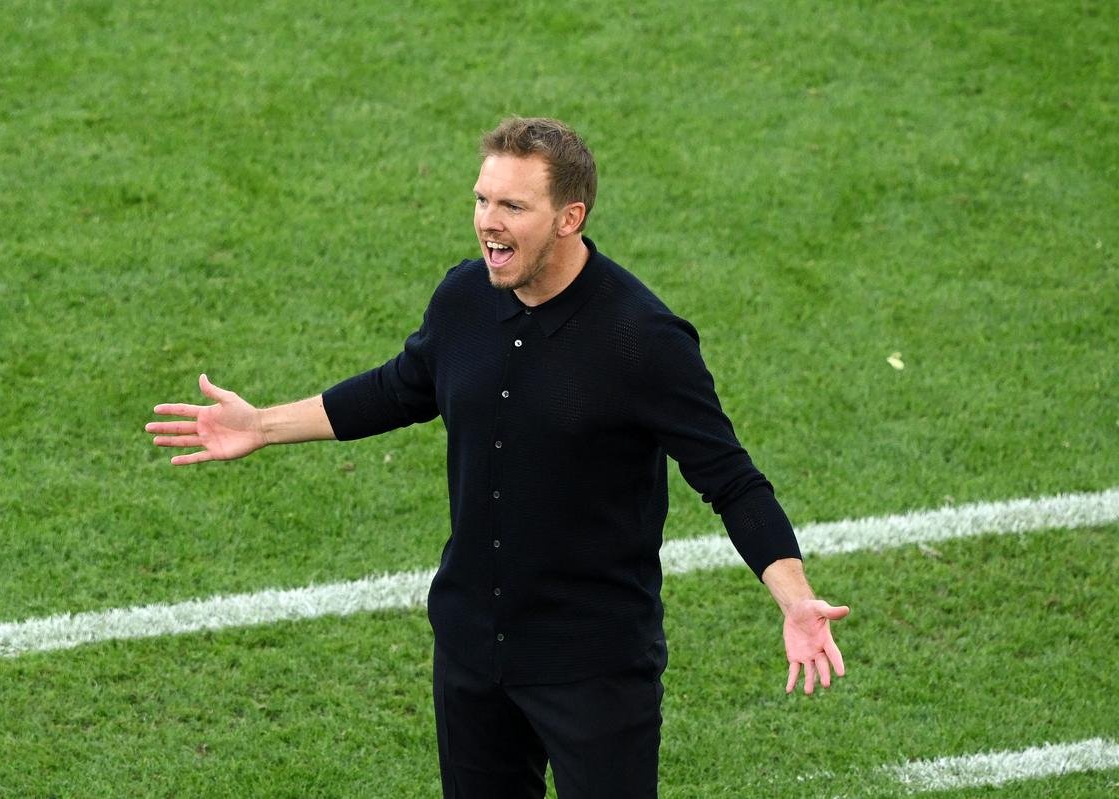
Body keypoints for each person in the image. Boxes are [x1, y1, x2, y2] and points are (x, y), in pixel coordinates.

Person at [145, 117, 848, 798]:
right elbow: (399, 387)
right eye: (482, 199)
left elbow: (731, 479)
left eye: (513, 205)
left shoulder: (644, 340)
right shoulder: (464, 298)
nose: (488, 222)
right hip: (472, 652)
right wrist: (261, 424)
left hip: (593, 667)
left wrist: (794, 598)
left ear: (569, 218)